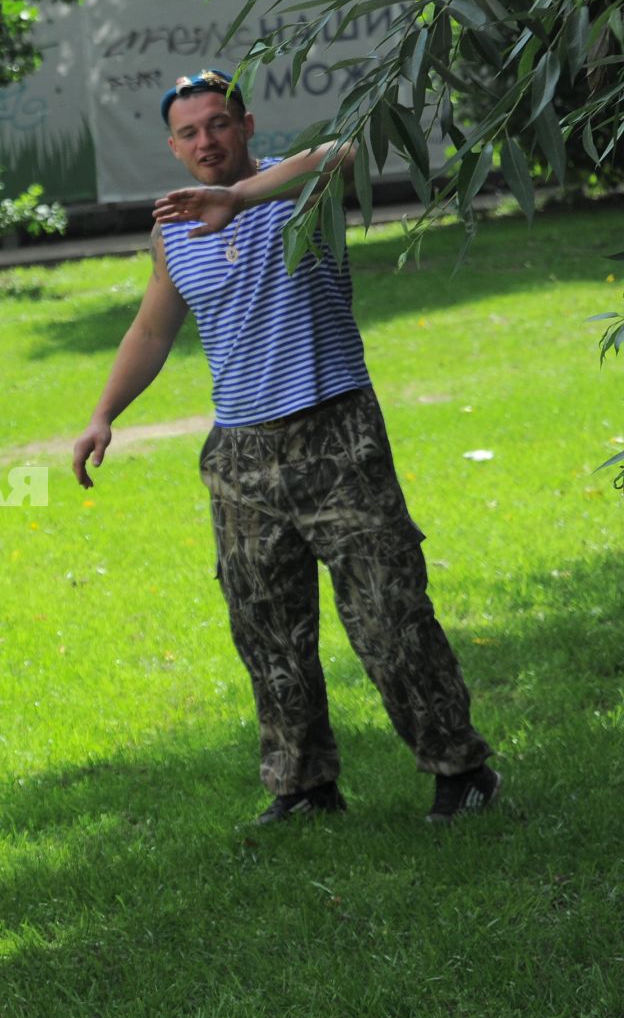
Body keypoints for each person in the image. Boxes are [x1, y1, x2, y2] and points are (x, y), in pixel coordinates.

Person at [71, 68, 500, 824]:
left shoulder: (299, 190)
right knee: (268, 630)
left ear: (248, 124)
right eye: (191, 131)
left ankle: (460, 771)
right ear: (174, 146)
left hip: (338, 436)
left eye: (219, 123)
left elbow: (346, 150)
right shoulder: (173, 228)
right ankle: (303, 787)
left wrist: (240, 196)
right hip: (242, 455)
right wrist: (104, 412)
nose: (207, 141)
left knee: (389, 617)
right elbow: (152, 328)